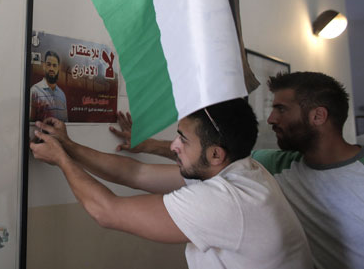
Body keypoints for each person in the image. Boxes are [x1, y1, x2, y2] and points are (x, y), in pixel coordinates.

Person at [110, 72, 364, 269]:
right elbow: (215, 153)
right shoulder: (272, 165)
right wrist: (148, 145)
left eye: (282, 109)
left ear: (318, 116)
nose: (272, 118)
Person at [31, 98, 312, 268]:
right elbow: (135, 173)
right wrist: (68, 146)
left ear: (216, 154)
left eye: (183, 139)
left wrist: (61, 160)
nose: (173, 146)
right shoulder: (240, 169)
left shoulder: (226, 201)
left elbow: (107, 211)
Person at [30, 50, 68, 122]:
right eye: (48, 64)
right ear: (44, 66)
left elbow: (65, 123)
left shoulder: (62, 95)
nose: (51, 69)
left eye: (54, 65)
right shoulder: (34, 91)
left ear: (58, 68)